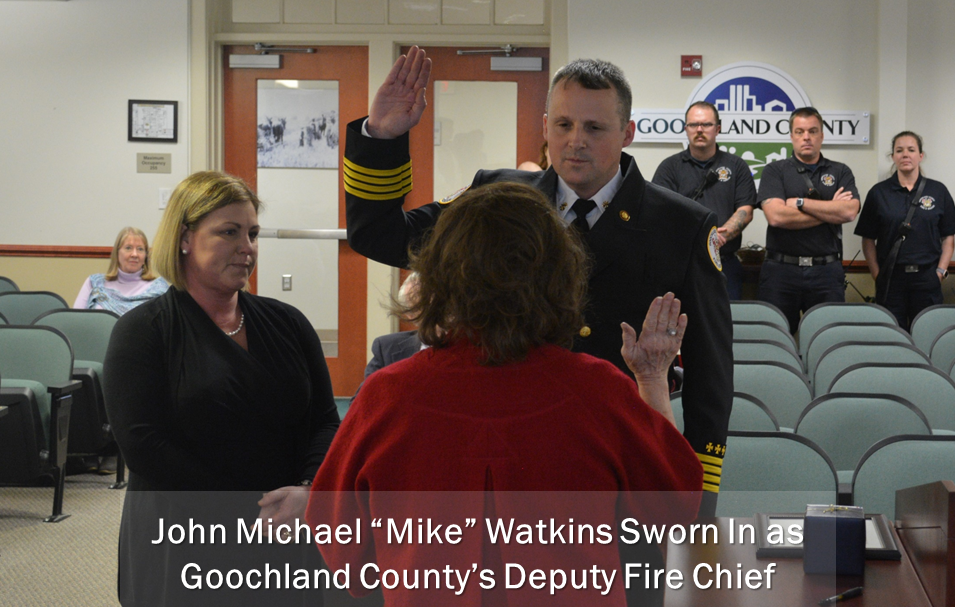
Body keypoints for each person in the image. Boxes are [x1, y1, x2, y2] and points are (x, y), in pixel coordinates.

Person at [342, 47, 732, 515]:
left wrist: (701, 494)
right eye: (564, 125)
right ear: (545, 126)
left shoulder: (682, 226)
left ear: (627, 133)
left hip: (614, 468)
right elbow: (382, 237)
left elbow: (711, 369)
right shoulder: (500, 197)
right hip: (506, 457)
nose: (576, 142)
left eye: (594, 128)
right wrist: (381, 139)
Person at [307, 181, 703, 606]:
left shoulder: (386, 396)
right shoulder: (599, 390)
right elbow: (675, 506)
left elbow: (342, 546)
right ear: (559, 278)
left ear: (441, 276)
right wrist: (653, 380)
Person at [103, 171, 339, 606]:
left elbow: (324, 419)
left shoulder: (288, 323)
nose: (246, 247)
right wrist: (246, 507)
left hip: (286, 526)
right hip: (187, 533)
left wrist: (310, 488)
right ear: (185, 238)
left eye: (252, 233)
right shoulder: (143, 331)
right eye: (229, 232)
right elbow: (142, 443)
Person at [756, 106, 861, 333]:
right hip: (781, 272)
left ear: (822, 135)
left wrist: (801, 203)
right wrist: (832, 210)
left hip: (826, 271)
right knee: (775, 338)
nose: (806, 137)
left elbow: (850, 212)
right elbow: (776, 216)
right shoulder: (775, 170)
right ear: (792, 136)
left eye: (813, 131)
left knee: (828, 340)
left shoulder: (840, 171)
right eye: (800, 131)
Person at [652, 101, 755, 299]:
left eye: (706, 125)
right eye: (693, 125)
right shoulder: (670, 167)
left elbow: (746, 210)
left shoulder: (737, 166)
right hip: (681, 263)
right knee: (680, 325)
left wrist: (718, 237)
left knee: (726, 326)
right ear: (686, 129)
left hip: (724, 263)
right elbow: (661, 212)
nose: (699, 130)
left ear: (717, 129)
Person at [855, 131, 955, 330]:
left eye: (911, 150)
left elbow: (948, 237)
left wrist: (941, 271)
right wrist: (877, 274)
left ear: (920, 155)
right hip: (891, 279)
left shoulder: (938, 191)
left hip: (927, 278)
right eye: (899, 150)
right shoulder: (878, 193)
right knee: (892, 336)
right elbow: (868, 240)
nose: (905, 155)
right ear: (893, 157)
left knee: (929, 335)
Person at [73, 226, 170, 314]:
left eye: (140, 249)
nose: (134, 254)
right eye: (128, 248)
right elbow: (77, 321)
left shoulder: (160, 289)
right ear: (117, 254)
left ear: (145, 256)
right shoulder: (94, 283)